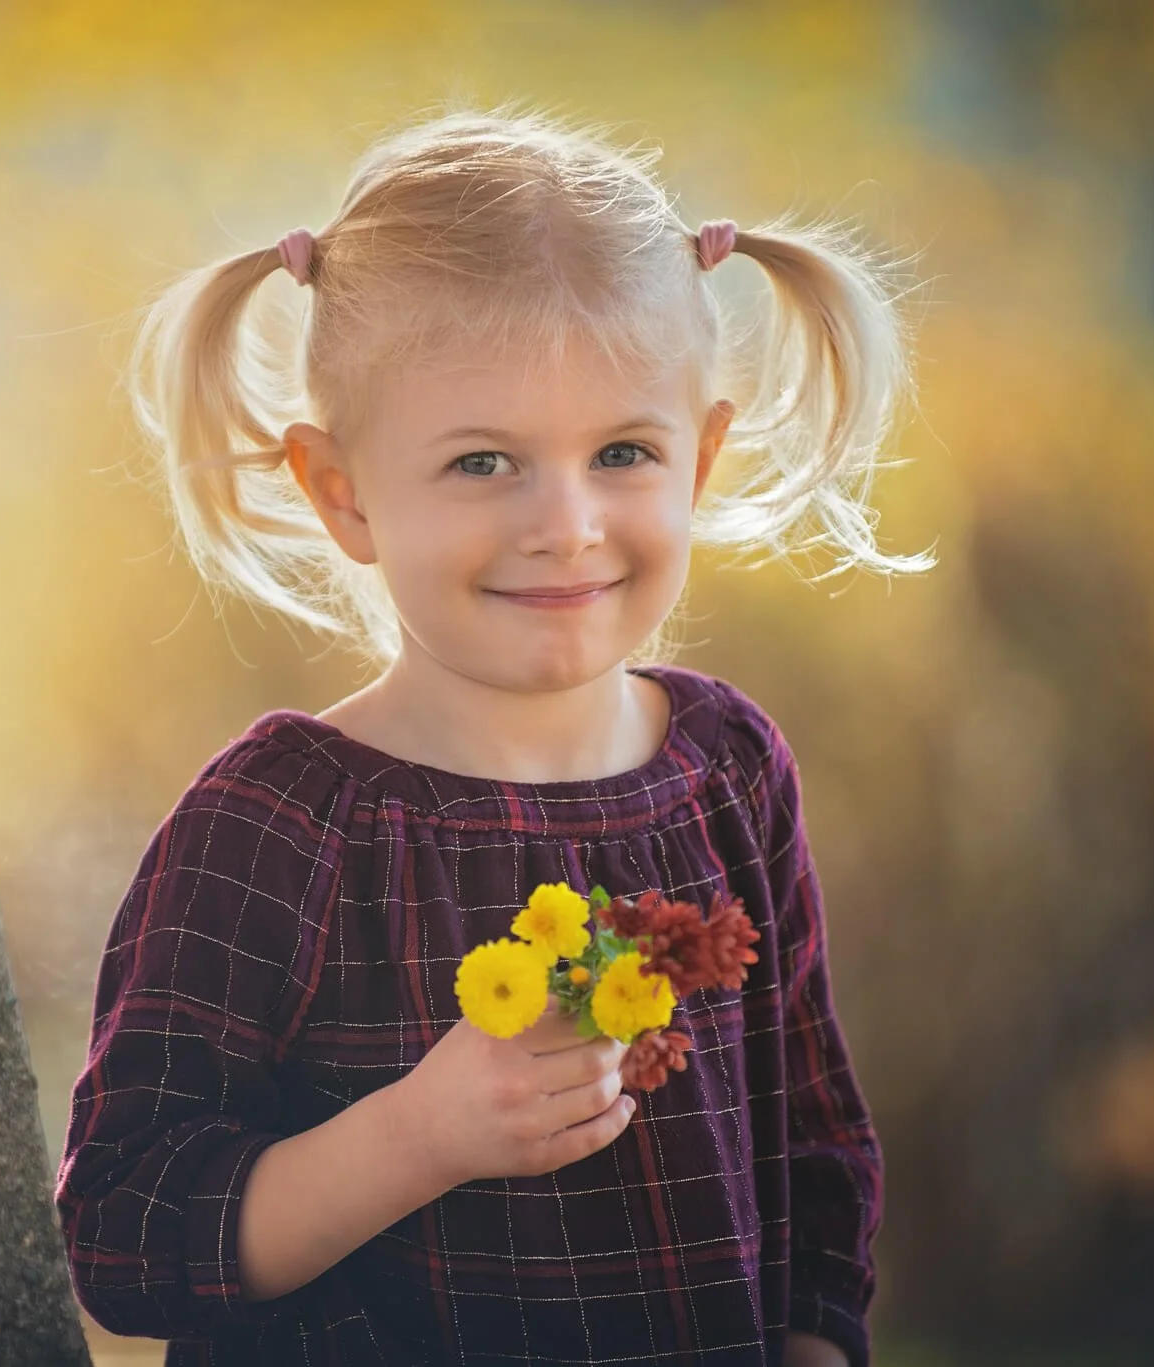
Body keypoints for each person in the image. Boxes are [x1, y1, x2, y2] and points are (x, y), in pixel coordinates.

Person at [54, 107, 931, 1367]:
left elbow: (814, 1145)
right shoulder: (279, 823)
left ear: (701, 460)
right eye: (482, 462)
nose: (564, 524)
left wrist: (814, 1341)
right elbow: (123, 1232)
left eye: (622, 450)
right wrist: (420, 1132)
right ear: (341, 490)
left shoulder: (727, 771)